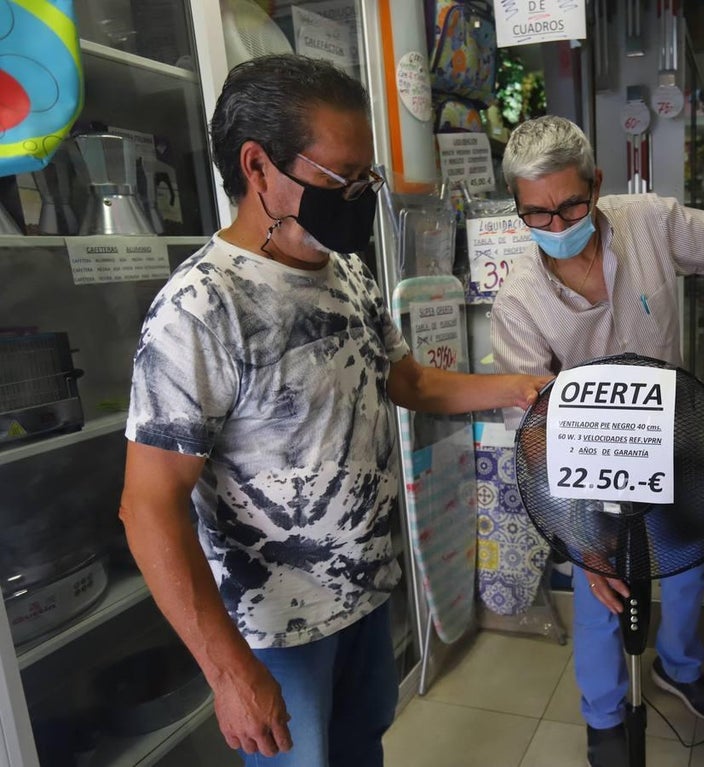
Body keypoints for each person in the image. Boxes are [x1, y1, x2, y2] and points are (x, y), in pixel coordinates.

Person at [118, 55, 548, 767]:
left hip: (365, 596)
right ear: (258, 168)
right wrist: (229, 672)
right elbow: (147, 506)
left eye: (366, 179)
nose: (357, 196)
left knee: (361, 752)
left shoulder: (345, 269)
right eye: (341, 179)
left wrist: (522, 387)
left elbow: (409, 382)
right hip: (277, 631)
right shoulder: (201, 309)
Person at [491, 115, 704, 767]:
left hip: (676, 441)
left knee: (684, 565)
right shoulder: (518, 302)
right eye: (535, 213)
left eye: (570, 203)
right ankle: (602, 713)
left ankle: (678, 666)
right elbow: (533, 429)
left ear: (596, 182)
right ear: (518, 208)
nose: (556, 222)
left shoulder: (647, 220)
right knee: (604, 591)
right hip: (587, 468)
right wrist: (581, 536)